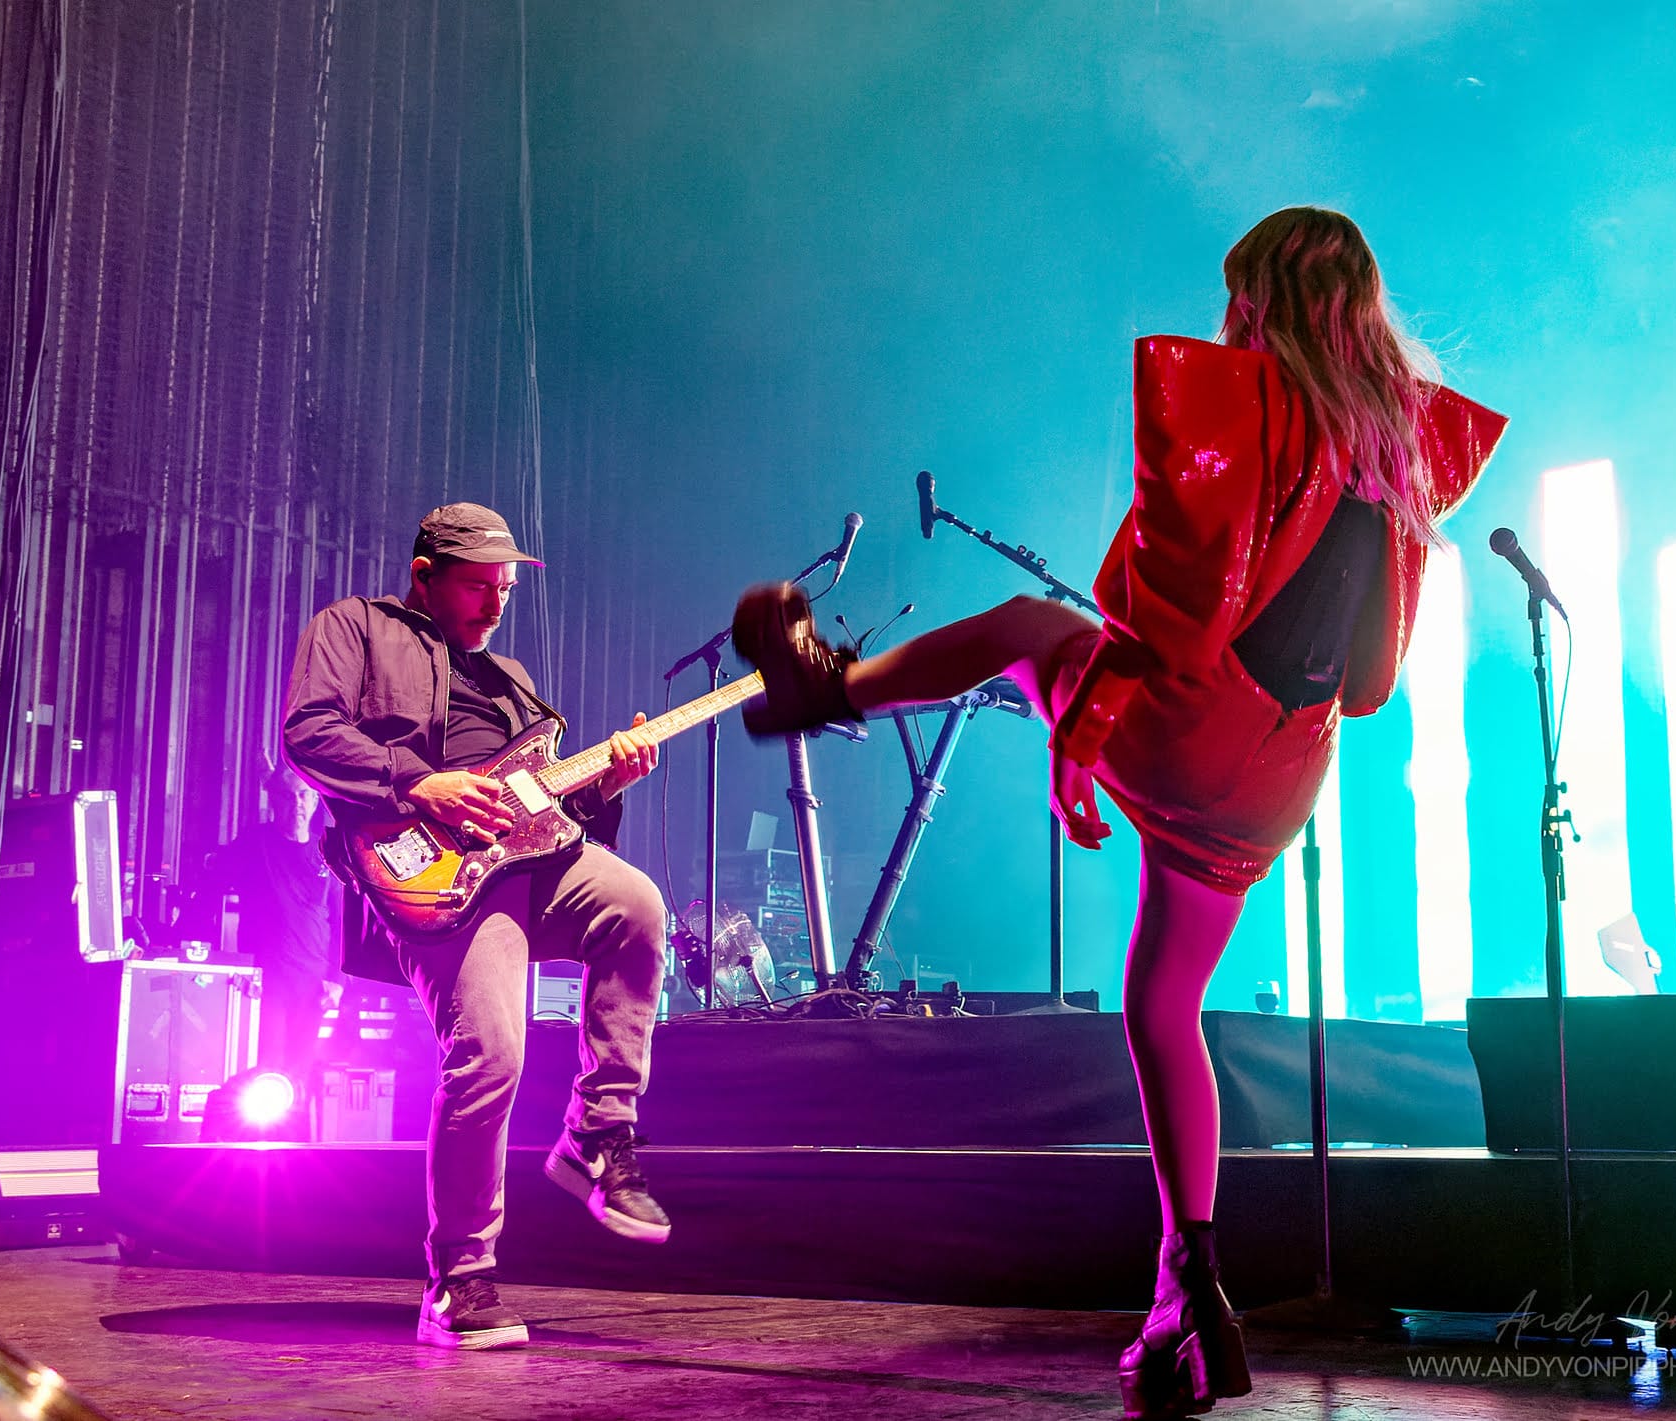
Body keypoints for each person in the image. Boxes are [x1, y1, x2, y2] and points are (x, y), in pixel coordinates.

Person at [732, 207, 1507, 1418]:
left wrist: (1085, 731)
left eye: (1236, 293)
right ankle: (1186, 1297)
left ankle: (826, 685)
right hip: (1277, 774)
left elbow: (1167, 624)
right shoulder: (1398, 447)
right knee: (1162, 1006)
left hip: (1192, 728)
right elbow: (1365, 676)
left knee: (1029, 629)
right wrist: (1091, 729)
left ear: (1257, 297)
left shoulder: (1254, 406)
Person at [284, 502, 671, 1352]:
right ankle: (459, 1279)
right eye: (477, 585)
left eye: (505, 588)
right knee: (492, 1050)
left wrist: (608, 781)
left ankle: (598, 1130)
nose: (496, 604)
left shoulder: (512, 680)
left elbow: (549, 810)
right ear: (423, 575)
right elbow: (308, 732)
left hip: (537, 866)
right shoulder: (356, 628)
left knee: (639, 904)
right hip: (435, 869)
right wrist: (420, 783)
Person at [193, 763, 343, 1080]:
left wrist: (339, 980)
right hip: (264, 980)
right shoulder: (253, 844)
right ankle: (261, 1132)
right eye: (287, 797)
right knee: (265, 1071)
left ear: (315, 801)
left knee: (300, 1074)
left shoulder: (327, 852)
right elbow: (209, 890)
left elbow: (341, 922)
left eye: (303, 796)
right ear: (273, 801)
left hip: (313, 984)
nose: (297, 804)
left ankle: (289, 1130)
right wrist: (221, 965)